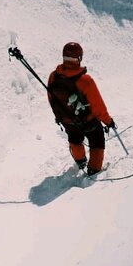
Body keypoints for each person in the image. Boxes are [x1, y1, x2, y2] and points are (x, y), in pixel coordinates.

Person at [47, 41, 116, 176]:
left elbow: (51, 98)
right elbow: (98, 107)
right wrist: (108, 121)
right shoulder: (85, 80)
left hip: (67, 119)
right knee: (97, 140)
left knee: (74, 139)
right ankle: (94, 170)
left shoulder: (53, 76)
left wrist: (61, 116)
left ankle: (80, 161)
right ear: (79, 58)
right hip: (87, 121)